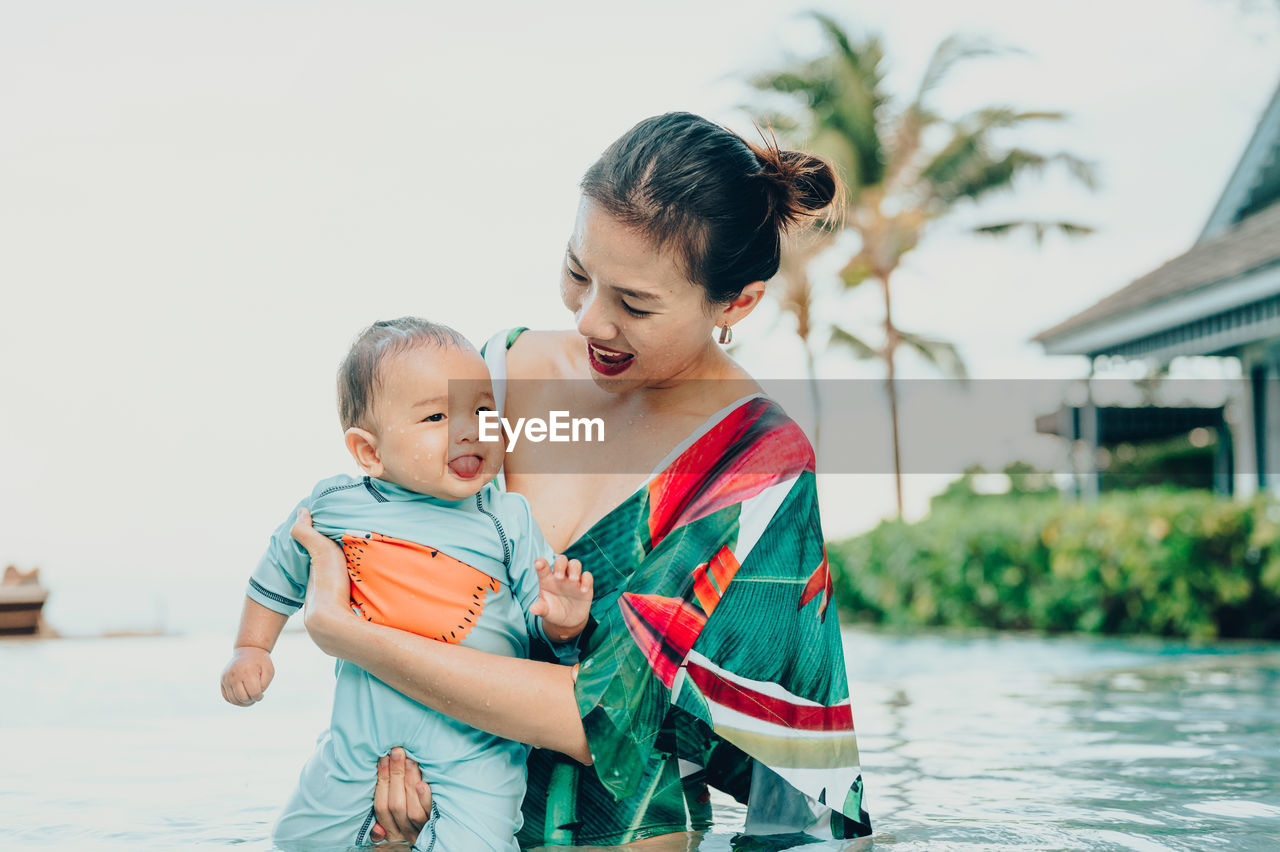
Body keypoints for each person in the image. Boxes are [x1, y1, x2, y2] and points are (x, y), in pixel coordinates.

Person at [294, 112, 873, 848]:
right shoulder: (499, 375)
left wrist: (341, 633)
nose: (590, 319)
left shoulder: (755, 462)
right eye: (577, 272)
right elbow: (406, 571)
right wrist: (390, 778)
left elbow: (597, 714)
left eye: (634, 304)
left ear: (737, 303)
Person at [219, 317, 593, 851]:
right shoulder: (336, 505)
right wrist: (250, 646)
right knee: (301, 840)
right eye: (438, 415)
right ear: (370, 452)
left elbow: (546, 623)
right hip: (361, 734)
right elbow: (276, 570)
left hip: (478, 743)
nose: (470, 429)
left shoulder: (506, 517)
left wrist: (564, 618)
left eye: (483, 410)